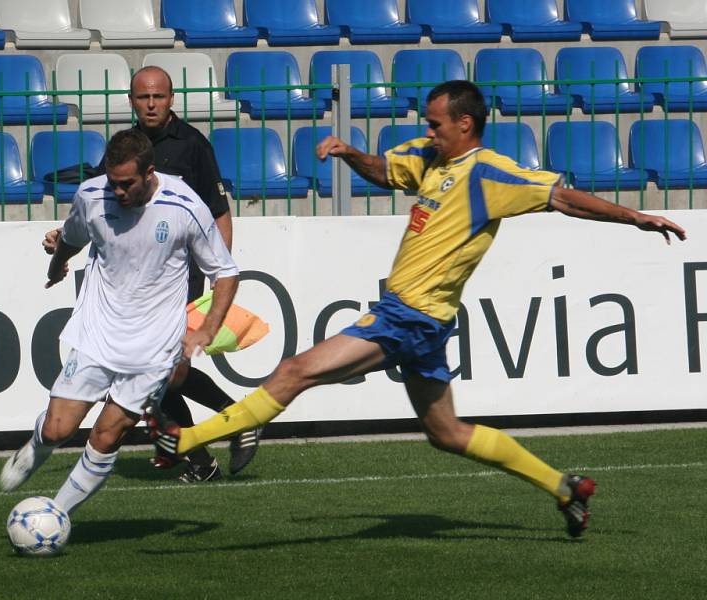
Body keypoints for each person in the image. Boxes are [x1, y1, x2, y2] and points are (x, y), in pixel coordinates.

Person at [148, 80, 688, 538]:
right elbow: (386, 172)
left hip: (409, 315)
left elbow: (564, 197)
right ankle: (563, 486)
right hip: (424, 321)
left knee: (294, 372)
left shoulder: (488, 174)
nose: (427, 131)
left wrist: (635, 218)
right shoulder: (432, 159)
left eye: (435, 124)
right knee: (448, 434)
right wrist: (349, 153)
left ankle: (189, 439)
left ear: (466, 125)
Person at [0, 129, 239, 516]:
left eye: (127, 183)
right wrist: (57, 261)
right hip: (98, 335)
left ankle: (56, 514)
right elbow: (74, 235)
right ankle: (37, 446)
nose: (119, 191)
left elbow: (225, 273)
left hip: (154, 349)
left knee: (107, 434)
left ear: (149, 173)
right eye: (113, 182)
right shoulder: (93, 195)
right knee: (58, 429)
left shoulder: (185, 204)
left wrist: (209, 327)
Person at [43, 65, 260, 482]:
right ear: (131, 101)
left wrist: (214, 276)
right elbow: (97, 204)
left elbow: (218, 212)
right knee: (163, 377)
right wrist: (63, 236)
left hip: (179, 277)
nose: (151, 104)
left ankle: (229, 428)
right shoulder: (128, 148)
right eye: (143, 97)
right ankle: (214, 444)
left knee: (165, 374)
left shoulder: (192, 145)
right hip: (133, 285)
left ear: (172, 98)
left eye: (158, 96)